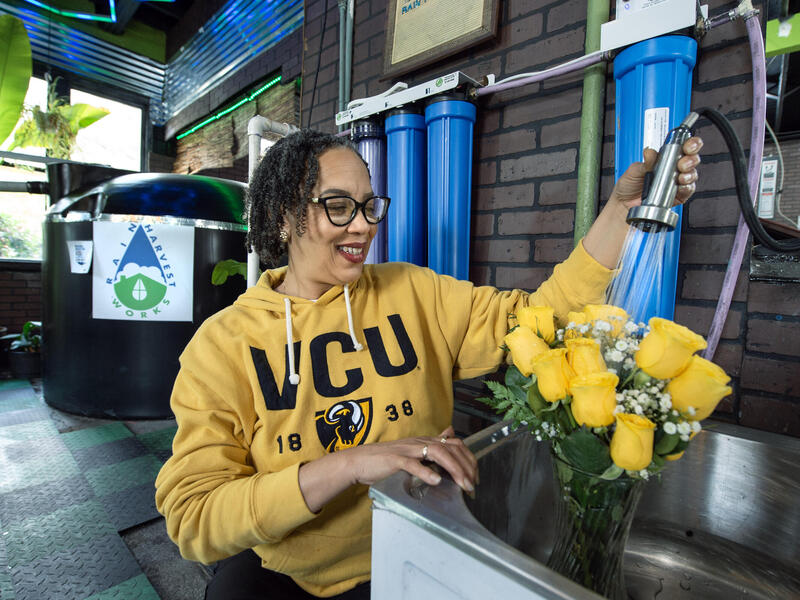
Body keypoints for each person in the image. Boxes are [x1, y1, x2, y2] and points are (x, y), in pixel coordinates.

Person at [155, 129, 702, 599]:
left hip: (418, 548)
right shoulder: (222, 345)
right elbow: (194, 516)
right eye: (339, 206)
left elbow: (538, 319)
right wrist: (351, 463)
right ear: (284, 218)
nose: (364, 226)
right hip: (288, 575)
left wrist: (619, 213)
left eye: (370, 206)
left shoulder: (415, 293)